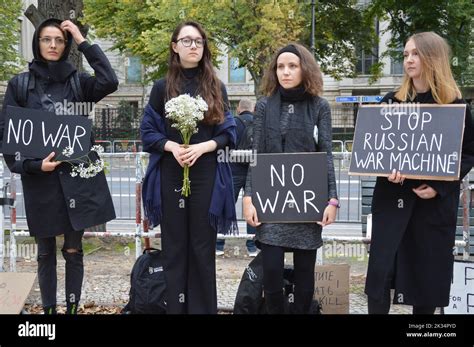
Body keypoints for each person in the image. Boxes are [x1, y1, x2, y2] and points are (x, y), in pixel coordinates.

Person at [0, 18, 118, 314]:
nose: (53, 45)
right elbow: (9, 138)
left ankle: (73, 309)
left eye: (59, 40)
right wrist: (35, 166)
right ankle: (50, 313)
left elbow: (109, 80)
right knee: (44, 253)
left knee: (74, 251)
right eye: (46, 39)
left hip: (78, 182)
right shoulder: (20, 85)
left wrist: (81, 38)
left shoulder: (79, 82)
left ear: (66, 46)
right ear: (37, 43)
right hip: (41, 182)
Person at [365, 31, 474, 314]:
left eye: (415, 54)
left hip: (431, 208)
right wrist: (384, 169)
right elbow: (375, 149)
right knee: (380, 275)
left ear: (432, 58)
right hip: (392, 202)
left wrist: (441, 186)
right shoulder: (391, 102)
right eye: (405, 54)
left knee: (426, 282)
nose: (408, 60)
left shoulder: (455, 106)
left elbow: (469, 152)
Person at [140, 21, 237, 314]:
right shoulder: (161, 87)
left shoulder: (216, 86)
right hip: (172, 173)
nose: (193, 46)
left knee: (202, 248)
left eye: (198, 41)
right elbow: (147, 131)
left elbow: (230, 132)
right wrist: (172, 147)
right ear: (174, 47)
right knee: (174, 247)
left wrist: (203, 147)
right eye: (186, 41)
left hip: (206, 172)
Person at [243, 43, 339, 314]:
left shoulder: (320, 107)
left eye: (292, 66)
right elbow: (256, 154)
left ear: (304, 68)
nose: (285, 72)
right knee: (271, 272)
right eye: (280, 67)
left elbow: (327, 154)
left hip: (307, 201)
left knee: (305, 276)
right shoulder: (263, 106)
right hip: (272, 200)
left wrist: (332, 200)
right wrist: (248, 197)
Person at [216, 98, 258, 257]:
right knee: (252, 207)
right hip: (253, 170)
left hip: (233, 170)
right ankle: (252, 246)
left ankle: (219, 244)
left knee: (227, 206)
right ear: (253, 109)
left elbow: (225, 144)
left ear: (239, 109)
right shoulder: (258, 123)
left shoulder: (233, 122)